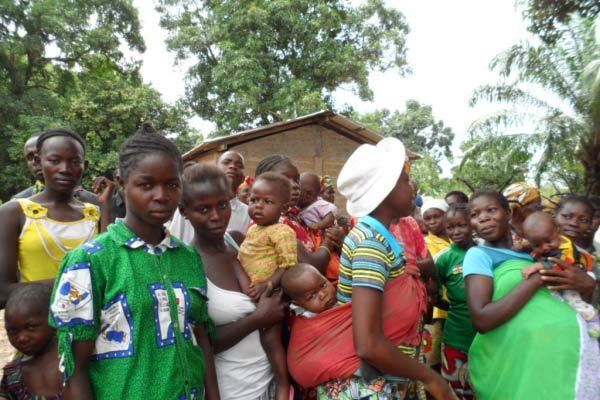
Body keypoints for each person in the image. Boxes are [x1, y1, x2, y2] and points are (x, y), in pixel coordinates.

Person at [48, 127, 219, 399]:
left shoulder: (188, 257)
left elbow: (201, 339)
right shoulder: (90, 261)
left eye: (172, 185)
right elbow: (74, 368)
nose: (161, 195)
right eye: (146, 185)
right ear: (121, 183)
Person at [318, 137, 454, 400]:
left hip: (390, 377)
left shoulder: (381, 237)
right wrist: (432, 379)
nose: (412, 187)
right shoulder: (370, 243)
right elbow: (368, 344)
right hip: (370, 385)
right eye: (405, 179)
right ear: (385, 189)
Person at [463, 190, 600, 399]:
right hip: (521, 364)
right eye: (475, 214)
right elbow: (482, 319)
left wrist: (587, 285)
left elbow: (573, 301)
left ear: (509, 213)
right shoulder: (478, 255)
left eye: (491, 210)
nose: (483, 218)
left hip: (564, 357)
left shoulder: (536, 252)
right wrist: (539, 277)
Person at [179, 163, 287, 400]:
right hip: (235, 391)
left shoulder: (240, 243)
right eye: (203, 209)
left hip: (272, 383)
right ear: (184, 211)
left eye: (222, 205)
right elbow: (199, 344)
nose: (216, 216)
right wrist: (258, 318)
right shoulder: (186, 266)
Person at [0, 128, 101, 307]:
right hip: (37, 320)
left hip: (93, 322)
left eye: (75, 161)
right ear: (38, 162)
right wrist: (78, 283)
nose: (65, 169)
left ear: (84, 165)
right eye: (55, 161)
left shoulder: (96, 214)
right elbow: (2, 291)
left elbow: (110, 276)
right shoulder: (14, 213)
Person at [237, 172, 294, 400]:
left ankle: (282, 385)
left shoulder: (282, 231)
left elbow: (288, 265)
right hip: (254, 292)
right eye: (254, 200)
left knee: (271, 341)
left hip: (271, 295)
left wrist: (268, 284)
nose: (258, 206)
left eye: (267, 202)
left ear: (284, 208)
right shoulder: (253, 229)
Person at [253, 155, 341, 275]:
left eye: (296, 179)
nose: (295, 185)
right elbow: (312, 267)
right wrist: (328, 243)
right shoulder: (273, 224)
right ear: (262, 183)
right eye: (285, 178)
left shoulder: (296, 215)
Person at [521, 211, 600, 337]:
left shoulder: (566, 248)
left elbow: (560, 262)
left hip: (572, 281)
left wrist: (539, 265)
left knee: (573, 302)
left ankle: (593, 319)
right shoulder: (547, 238)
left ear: (557, 230)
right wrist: (524, 247)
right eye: (537, 245)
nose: (545, 247)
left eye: (548, 241)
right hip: (561, 280)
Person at [434, 205, 476, 400]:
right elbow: (433, 294)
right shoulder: (444, 259)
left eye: (461, 225)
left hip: (489, 338)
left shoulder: (487, 251)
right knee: (457, 393)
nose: (456, 231)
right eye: (450, 227)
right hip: (456, 338)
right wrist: (453, 308)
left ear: (472, 224)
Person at [169, 150, 251, 243]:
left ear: (243, 178)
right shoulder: (190, 205)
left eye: (239, 165)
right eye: (226, 162)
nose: (233, 166)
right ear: (215, 168)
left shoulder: (248, 214)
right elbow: (173, 241)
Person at [1, 284, 62, 399]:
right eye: (12, 331)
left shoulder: (76, 361)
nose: (22, 338)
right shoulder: (13, 376)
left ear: (53, 320)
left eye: (31, 327)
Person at [13, 133, 98, 205]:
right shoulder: (18, 203)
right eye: (30, 157)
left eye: (55, 159)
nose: (34, 162)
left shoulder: (94, 203)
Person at [502, 182, 541, 251]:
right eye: (536, 207)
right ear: (519, 206)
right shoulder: (502, 229)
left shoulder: (538, 226)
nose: (538, 211)